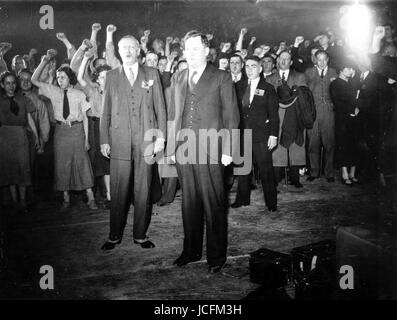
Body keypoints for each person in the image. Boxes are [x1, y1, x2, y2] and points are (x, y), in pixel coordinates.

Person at [167, 30, 239, 273]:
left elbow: (231, 116)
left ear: (207, 51)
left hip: (212, 150)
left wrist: (228, 149)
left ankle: (216, 257)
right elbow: (173, 116)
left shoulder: (221, 77)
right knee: (189, 204)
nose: (191, 53)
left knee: (214, 204)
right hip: (184, 151)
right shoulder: (177, 77)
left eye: (196, 49)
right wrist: (171, 147)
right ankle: (191, 251)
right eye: (187, 49)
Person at [100, 35, 167, 251]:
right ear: (118, 51)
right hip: (119, 141)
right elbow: (105, 112)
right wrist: (104, 140)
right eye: (123, 47)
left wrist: (161, 137)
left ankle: (140, 235)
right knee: (119, 190)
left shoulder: (152, 73)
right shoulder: (111, 76)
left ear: (138, 50)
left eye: (131, 47)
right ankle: (114, 235)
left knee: (143, 189)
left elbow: (161, 109)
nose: (127, 51)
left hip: (146, 139)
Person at [31, 51, 97, 210]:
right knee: (62, 164)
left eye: (63, 77)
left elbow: (86, 118)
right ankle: (66, 199)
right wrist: (44, 61)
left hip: (77, 130)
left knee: (82, 163)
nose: (60, 80)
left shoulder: (79, 94)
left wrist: (87, 139)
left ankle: (91, 198)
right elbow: (34, 80)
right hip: (61, 132)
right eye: (58, 77)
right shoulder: (53, 91)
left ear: (70, 78)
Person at [231, 56, 279, 212]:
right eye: (247, 67)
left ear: (260, 68)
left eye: (253, 66)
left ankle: (271, 203)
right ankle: (242, 199)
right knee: (243, 169)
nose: (250, 69)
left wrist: (273, 135)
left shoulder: (268, 88)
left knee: (266, 170)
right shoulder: (238, 86)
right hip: (243, 134)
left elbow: (274, 115)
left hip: (261, 136)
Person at [266, 50, 307, 188]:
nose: (283, 62)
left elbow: (303, 96)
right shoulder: (270, 78)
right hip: (277, 115)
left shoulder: (300, 76)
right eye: (281, 59)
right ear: (277, 61)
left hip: (294, 114)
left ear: (291, 62)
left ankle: (295, 178)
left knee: (295, 144)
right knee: (277, 145)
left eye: (287, 59)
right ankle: (277, 177)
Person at [0, 71, 39, 213]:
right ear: (2, 85)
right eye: (7, 83)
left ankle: (23, 201)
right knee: (10, 170)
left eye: (13, 83)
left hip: (21, 135)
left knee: (23, 168)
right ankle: (15, 201)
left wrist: (37, 137)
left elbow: (29, 119)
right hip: (4, 137)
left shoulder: (23, 99)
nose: (11, 86)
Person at [77, 49, 112, 207]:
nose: (105, 79)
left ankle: (118, 194)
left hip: (114, 126)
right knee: (104, 162)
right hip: (98, 126)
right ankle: (109, 196)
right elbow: (79, 77)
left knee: (116, 161)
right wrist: (85, 59)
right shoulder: (92, 91)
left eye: (108, 76)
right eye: (102, 77)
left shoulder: (116, 91)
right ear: (97, 79)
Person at [305, 50, 337, 182]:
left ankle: (329, 173)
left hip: (329, 111)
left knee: (329, 143)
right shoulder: (308, 72)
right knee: (313, 143)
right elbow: (305, 92)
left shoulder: (334, 72)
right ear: (315, 60)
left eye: (324, 59)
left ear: (328, 59)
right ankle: (314, 172)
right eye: (319, 59)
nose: (322, 62)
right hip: (313, 111)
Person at [330, 59, 360, 185]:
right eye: (347, 68)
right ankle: (344, 173)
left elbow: (358, 98)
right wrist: (352, 109)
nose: (350, 71)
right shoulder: (336, 83)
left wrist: (357, 108)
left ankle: (353, 173)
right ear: (341, 70)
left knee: (354, 145)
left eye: (352, 69)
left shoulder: (352, 83)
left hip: (354, 119)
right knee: (343, 145)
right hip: (343, 118)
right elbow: (338, 102)